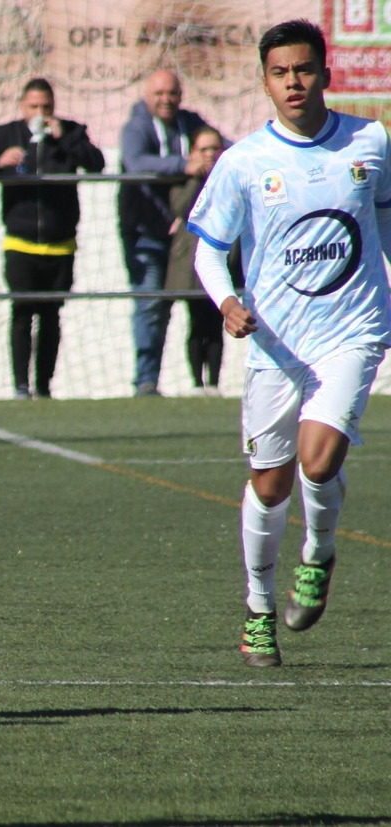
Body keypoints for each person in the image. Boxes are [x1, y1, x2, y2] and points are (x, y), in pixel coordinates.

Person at [187, 19, 391, 667]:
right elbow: (208, 251)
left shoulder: (371, 140)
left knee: (319, 460)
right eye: (280, 72)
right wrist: (227, 301)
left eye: (303, 69)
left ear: (325, 73)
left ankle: (318, 554)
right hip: (276, 343)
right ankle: (257, 610)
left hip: (353, 329)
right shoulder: (244, 162)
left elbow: (386, 221)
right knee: (270, 485)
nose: (293, 81)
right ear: (265, 82)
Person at [0, 78, 105, 399]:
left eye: (46, 107)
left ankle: (44, 387)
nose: (40, 113)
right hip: (20, 242)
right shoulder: (7, 134)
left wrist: (64, 138)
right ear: (22, 107)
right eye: (34, 107)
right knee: (22, 312)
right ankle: (20, 386)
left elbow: (96, 164)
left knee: (51, 316)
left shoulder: (72, 131)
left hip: (61, 244)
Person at [120, 70, 211, 397]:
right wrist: (182, 165)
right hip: (146, 232)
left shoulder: (190, 122)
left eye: (172, 93)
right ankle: (146, 381)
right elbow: (135, 162)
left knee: (201, 305)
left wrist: (211, 154)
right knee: (150, 303)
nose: (166, 100)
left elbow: (220, 143)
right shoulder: (136, 127)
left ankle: (206, 384)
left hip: (186, 236)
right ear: (147, 95)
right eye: (159, 93)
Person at [166, 126, 239, 395]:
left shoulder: (231, 177)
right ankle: (197, 384)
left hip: (223, 257)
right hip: (190, 262)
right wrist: (196, 179)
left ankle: (215, 384)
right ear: (193, 152)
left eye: (215, 149)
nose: (210, 155)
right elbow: (181, 208)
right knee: (196, 322)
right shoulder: (184, 179)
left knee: (216, 323)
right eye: (204, 149)